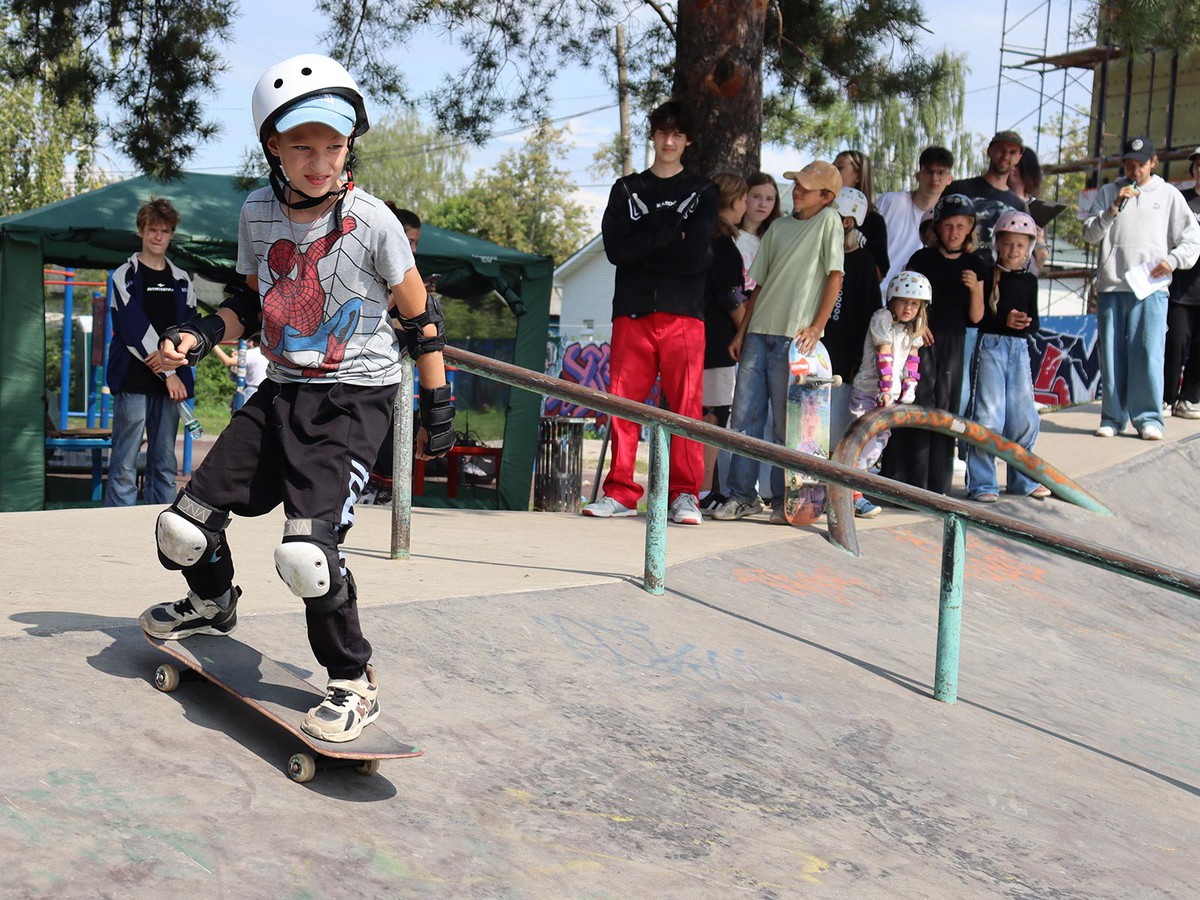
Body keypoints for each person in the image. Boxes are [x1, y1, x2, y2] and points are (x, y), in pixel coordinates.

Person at [137, 54, 455, 743]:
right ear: (273, 147)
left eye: (334, 145)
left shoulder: (372, 221)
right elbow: (250, 303)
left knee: (306, 557)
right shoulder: (256, 210)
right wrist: (195, 334)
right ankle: (213, 601)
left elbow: (420, 317)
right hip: (281, 388)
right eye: (303, 146)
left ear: (350, 147)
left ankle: (352, 680)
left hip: (353, 402)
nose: (321, 161)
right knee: (182, 528)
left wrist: (437, 404)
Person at [583, 100, 717, 525]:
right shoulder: (626, 188)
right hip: (632, 314)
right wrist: (669, 235)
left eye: (678, 134)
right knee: (623, 405)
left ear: (688, 140)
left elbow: (696, 257)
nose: (669, 141)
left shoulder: (704, 191)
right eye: (662, 133)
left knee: (686, 409)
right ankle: (621, 493)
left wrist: (646, 242)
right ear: (653, 136)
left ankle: (685, 495)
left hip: (684, 316)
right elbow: (617, 251)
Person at [712, 161, 845, 525]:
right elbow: (759, 286)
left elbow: (835, 277)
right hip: (759, 334)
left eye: (805, 187)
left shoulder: (828, 222)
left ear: (827, 197)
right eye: (796, 185)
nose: (797, 191)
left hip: (795, 338)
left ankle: (787, 499)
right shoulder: (780, 227)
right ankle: (742, 495)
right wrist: (742, 332)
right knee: (744, 417)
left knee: (789, 424)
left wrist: (818, 326)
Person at [1082, 135, 1200, 440]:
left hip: (1151, 287)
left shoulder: (1169, 194)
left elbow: (1191, 237)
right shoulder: (1110, 191)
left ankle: (1149, 418)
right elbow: (1090, 234)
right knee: (1112, 355)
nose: (1134, 170)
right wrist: (1112, 209)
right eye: (1129, 164)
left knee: (1148, 352)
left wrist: (1173, 260)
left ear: (1153, 162)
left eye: (1140, 164)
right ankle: (1112, 417)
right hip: (1112, 284)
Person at [880, 193, 986, 494]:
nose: (954, 232)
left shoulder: (974, 263)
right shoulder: (922, 259)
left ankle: (935, 485)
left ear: (970, 229)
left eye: (961, 226)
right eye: (948, 225)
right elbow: (906, 303)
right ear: (937, 227)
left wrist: (975, 290)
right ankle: (900, 482)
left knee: (945, 408)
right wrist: (919, 326)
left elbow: (976, 317)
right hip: (920, 341)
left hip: (954, 342)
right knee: (914, 400)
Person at [104, 198, 198, 507]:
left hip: (172, 384)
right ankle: (118, 525)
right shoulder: (123, 275)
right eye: (152, 230)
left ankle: (163, 520)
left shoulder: (182, 280)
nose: (158, 236)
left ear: (172, 234)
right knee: (125, 460)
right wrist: (168, 371)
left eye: (165, 230)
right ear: (141, 231)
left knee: (164, 462)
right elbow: (133, 327)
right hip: (133, 378)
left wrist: (173, 369)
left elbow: (191, 330)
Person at [965, 211, 1051, 502]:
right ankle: (983, 483)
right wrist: (1005, 320)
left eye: (1021, 246)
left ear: (1029, 249)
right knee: (989, 416)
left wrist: (1023, 322)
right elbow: (978, 319)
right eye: (1009, 244)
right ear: (998, 244)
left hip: (1019, 351)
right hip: (990, 347)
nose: (1014, 251)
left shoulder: (1030, 281)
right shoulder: (987, 275)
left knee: (1024, 417)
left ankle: (1022, 479)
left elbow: (1036, 323)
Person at [847, 271, 932, 517]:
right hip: (869, 391)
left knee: (877, 446)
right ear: (892, 299)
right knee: (860, 441)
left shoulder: (913, 328)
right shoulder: (882, 318)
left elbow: (912, 363)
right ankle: (852, 494)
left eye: (914, 303)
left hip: (889, 397)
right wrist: (885, 390)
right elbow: (884, 356)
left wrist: (909, 390)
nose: (908, 307)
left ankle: (849, 487)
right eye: (903, 301)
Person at [697, 173, 750, 515]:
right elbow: (731, 296)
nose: (747, 206)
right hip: (717, 345)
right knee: (712, 417)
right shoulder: (724, 247)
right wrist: (745, 329)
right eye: (744, 199)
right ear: (733, 203)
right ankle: (701, 490)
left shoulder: (697, 239)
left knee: (694, 413)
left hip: (691, 341)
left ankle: (689, 487)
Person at [876, 146, 955, 289]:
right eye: (929, 171)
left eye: (940, 173)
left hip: (913, 301)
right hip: (876, 293)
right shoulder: (891, 201)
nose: (934, 178)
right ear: (918, 175)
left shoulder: (948, 221)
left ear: (949, 179)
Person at [946, 130, 1029, 257]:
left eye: (1012, 152)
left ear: (1019, 158)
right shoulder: (958, 189)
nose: (1006, 156)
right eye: (1001, 149)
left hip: (995, 275)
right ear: (989, 151)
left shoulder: (1019, 206)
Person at [1163, 147, 1200, 419]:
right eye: (1198, 165)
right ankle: (1165, 398)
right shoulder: (1181, 200)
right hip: (1179, 289)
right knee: (1174, 343)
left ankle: (1189, 399)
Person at [834, 150, 889, 281]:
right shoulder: (821, 210)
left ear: (858, 176)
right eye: (832, 167)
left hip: (853, 292)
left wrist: (853, 250)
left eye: (839, 168)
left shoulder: (873, 221)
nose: (833, 171)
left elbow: (880, 273)